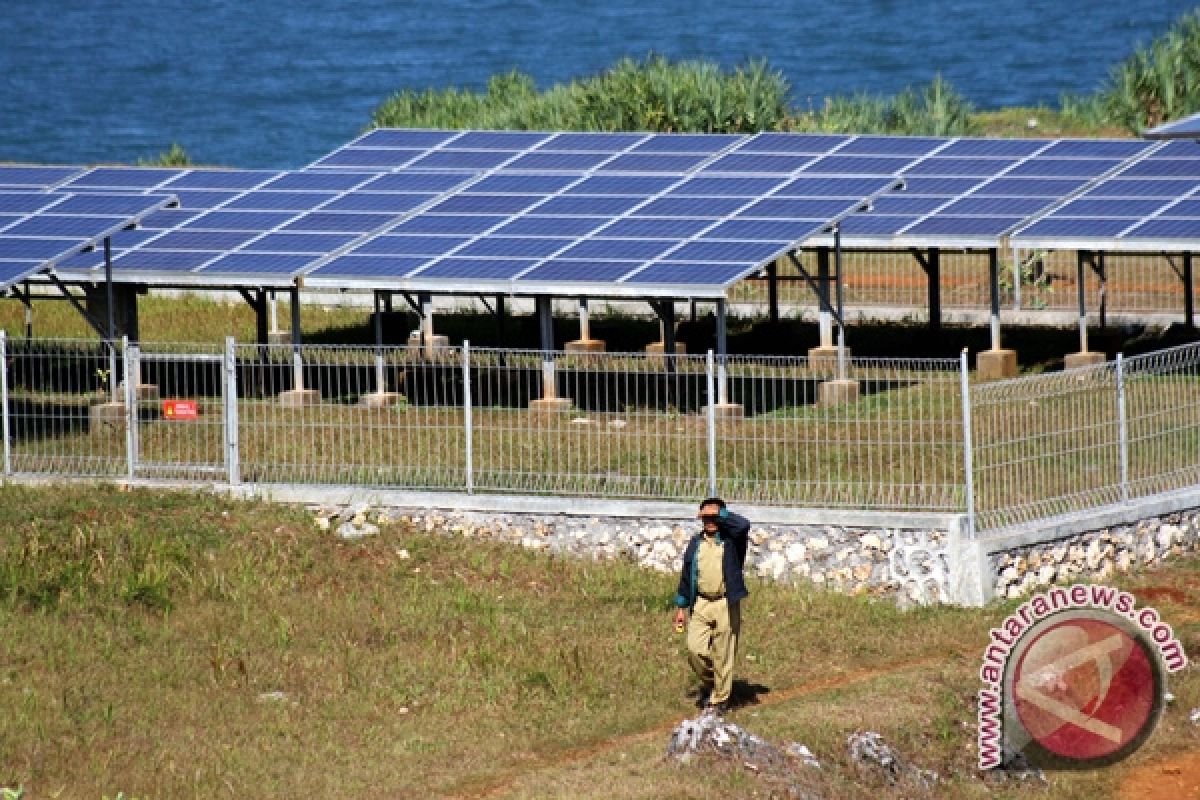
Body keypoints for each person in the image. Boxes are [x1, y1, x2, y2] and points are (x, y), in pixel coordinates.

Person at [671, 496, 751, 714]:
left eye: (713, 518)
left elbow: (743, 525)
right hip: (701, 604)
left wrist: (719, 513)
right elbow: (687, 575)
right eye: (705, 518)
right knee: (695, 650)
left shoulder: (733, 540)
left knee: (723, 653)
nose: (709, 522)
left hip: (725, 602)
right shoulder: (696, 543)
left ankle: (719, 701)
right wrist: (681, 607)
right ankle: (714, 684)